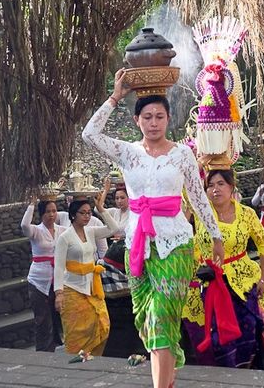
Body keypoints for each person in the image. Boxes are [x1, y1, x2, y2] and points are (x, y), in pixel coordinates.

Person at [81, 68, 224, 388]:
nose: (154, 122)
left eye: (160, 116)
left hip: (176, 244)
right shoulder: (128, 153)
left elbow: (199, 198)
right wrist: (116, 96)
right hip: (138, 245)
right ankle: (167, 380)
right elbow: (89, 134)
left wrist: (215, 235)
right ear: (137, 121)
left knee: (162, 316)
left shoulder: (183, 154)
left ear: (168, 118)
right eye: (147, 116)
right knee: (147, 319)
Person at [182, 169, 264, 368]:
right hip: (209, 281)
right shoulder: (200, 212)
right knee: (217, 336)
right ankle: (224, 374)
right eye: (211, 185)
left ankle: (245, 371)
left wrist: (263, 278)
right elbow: (185, 191)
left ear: (231, 187)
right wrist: (196, 164)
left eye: (221, 184)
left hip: (242, 281)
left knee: (247, 328)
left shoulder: (246, 214)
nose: (215, 189)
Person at [53, 200, 118, 356]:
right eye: (83, 213)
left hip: (91, 285)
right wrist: (59, 293)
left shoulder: (90, 232)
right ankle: (76, 359)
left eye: (89, 213)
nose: (87, 216)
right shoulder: (65, 237)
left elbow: (113, 228)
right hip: (72, 288)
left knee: (102, 322)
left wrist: (101, 209)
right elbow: (59, 266)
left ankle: (94, 356)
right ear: (73, 215)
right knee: (77, 329)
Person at [20, 196, 67, 352]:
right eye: (48, 212)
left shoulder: (62, 231)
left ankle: (58, 345)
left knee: (57, 315)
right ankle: (43, 350)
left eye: (54, 211)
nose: (52, 215)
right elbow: (24, 225)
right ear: (42, 214)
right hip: (38, 280)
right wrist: (31, 204)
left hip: (58, 278)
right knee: (42, 318)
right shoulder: (36, 231)